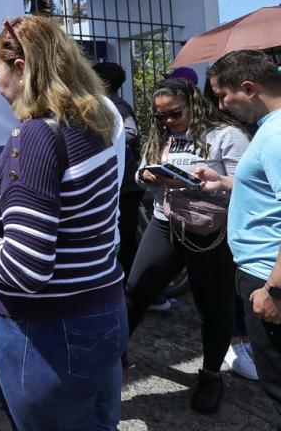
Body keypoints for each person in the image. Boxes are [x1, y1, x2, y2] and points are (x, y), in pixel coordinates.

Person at [0, 15, 127, 430]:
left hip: (47, 333)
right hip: (104, 311)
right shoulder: (96, 122)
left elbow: (25, 268)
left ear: (21, 68)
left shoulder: (34, 138)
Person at [128, 77, 249, 414]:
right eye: (160, 116)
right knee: (136, 291)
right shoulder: (163, 136)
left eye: (174, 114)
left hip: (211, 232)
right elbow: (140, 172)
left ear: (193, 104)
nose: (168, 121)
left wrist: (210, 185)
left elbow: (248, 186)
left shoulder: (226, 135)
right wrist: (148, 177)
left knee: (213, 308)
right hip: (165, 223)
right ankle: (112, 354)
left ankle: (211, 376)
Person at [194, 50, 281, 425]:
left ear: (248, 88)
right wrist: (223, 182)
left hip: (268, 276)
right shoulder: (269, 128)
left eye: (222, 95)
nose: (220, 105)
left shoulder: (276, 134)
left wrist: (274, 290)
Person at [93, 62, 142, 280]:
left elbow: (131, 132)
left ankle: (130, 288)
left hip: (126, 186)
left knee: (125, 242)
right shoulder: (102, 104)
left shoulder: (117, 106)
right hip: (119, 184)